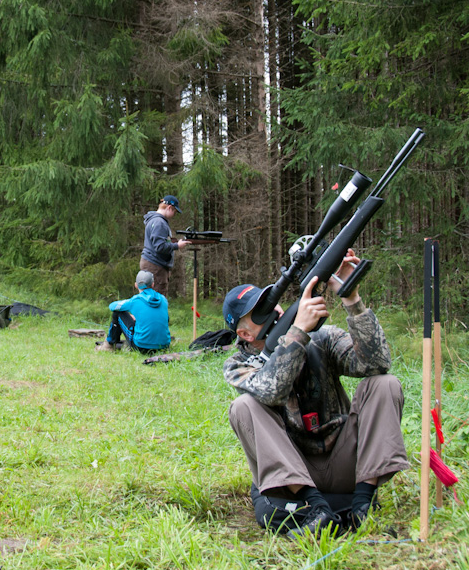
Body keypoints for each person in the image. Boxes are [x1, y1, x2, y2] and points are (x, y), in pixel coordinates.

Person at [221, 249, 408, 538]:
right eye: (260, 312)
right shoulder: (239, 365)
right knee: (243, 406)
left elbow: (377, 363)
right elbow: (271, 391)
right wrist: (296, 334)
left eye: (272, 303)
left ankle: (362, 504)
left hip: (345, 461)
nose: (274, 312)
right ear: (245, 334)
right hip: (293, 475)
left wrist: (351, 298)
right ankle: (315, 508)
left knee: (385, 383)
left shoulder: (322, 338)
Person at [97, 270, 171, 353]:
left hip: (141, 347)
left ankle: (109, 345)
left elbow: (112, 306)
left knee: (117, 313)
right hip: (164, 346)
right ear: (153, 284)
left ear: (136, 285)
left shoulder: (135, 300)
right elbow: (165, 319)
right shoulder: (163, 299)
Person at [140, 195, 190, 295]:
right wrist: (177, 246)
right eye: (174, 211)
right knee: (157, 300)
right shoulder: (159, 222)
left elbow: (158, 242)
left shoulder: (155, 220)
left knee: (148, 299)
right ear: (169, 208)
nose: (174, 214)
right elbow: (159, 247)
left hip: (152, 263)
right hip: (155, 266)